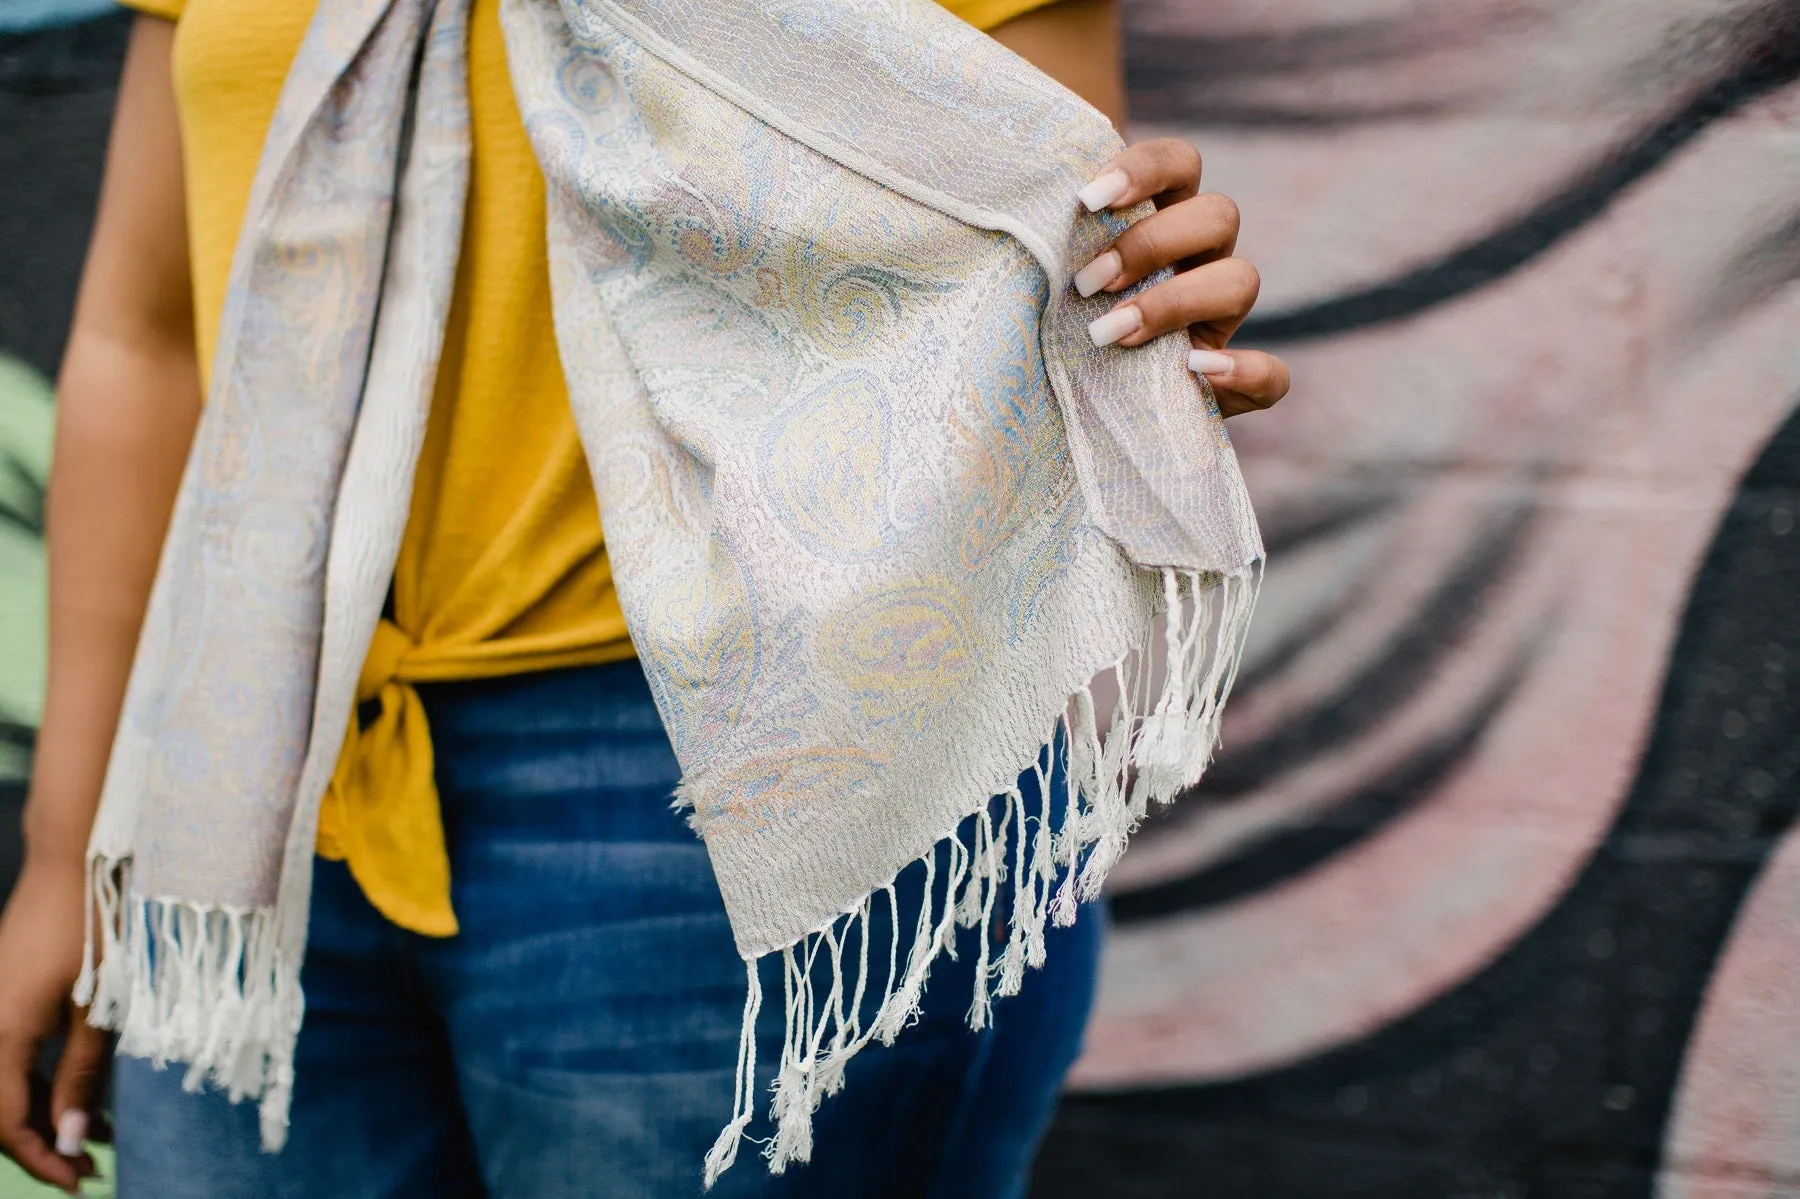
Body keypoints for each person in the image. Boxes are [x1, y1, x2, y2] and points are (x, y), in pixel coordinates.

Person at [0, 0, 1291, 1194]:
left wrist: (1126, 338)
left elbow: (1045, 272)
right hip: (251, 784)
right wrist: (70, 858)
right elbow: (145, 339)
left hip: (743, 779)